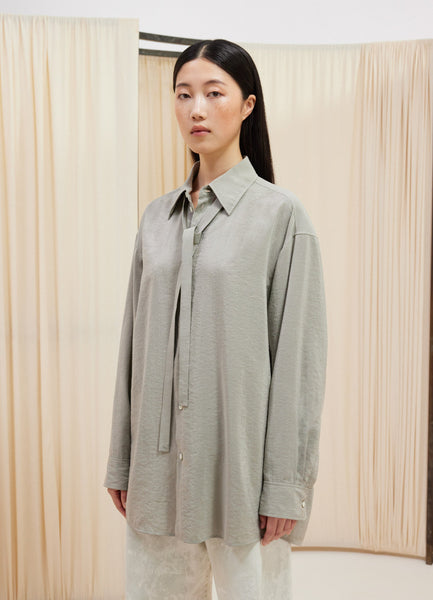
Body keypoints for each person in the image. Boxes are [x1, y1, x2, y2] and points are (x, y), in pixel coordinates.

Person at [104, 38, 328, 599]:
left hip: (242, 480)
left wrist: (285, 486)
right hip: (158, 475)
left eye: (213, 93)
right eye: (183, 95)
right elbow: (132, 348)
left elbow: (298, 363)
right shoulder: (156, 218)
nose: (196, 109)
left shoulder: (281, 216)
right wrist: (122, 462)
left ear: (247, 104)